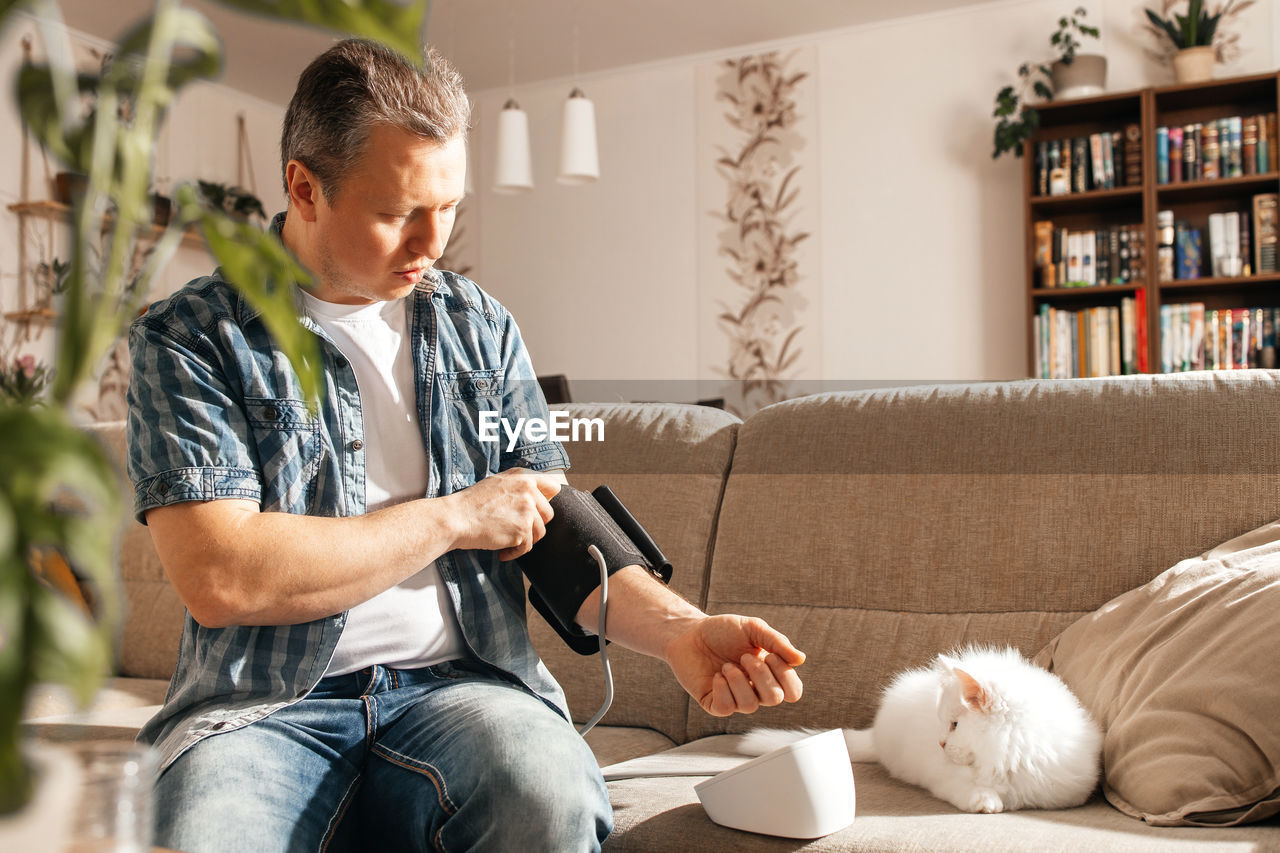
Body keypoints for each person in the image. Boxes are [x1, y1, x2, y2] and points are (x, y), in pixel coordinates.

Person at [126, 38, 805, 852]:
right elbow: (224, 575)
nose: (432, 243)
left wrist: (682, 631)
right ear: (304, 187)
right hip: (261, 710)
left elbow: (546, 526)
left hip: (464, 692)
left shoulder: (476, 326)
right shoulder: (193, 337)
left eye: (448, 206)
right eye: (396, 213)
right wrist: (453, 517)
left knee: (545, 796)